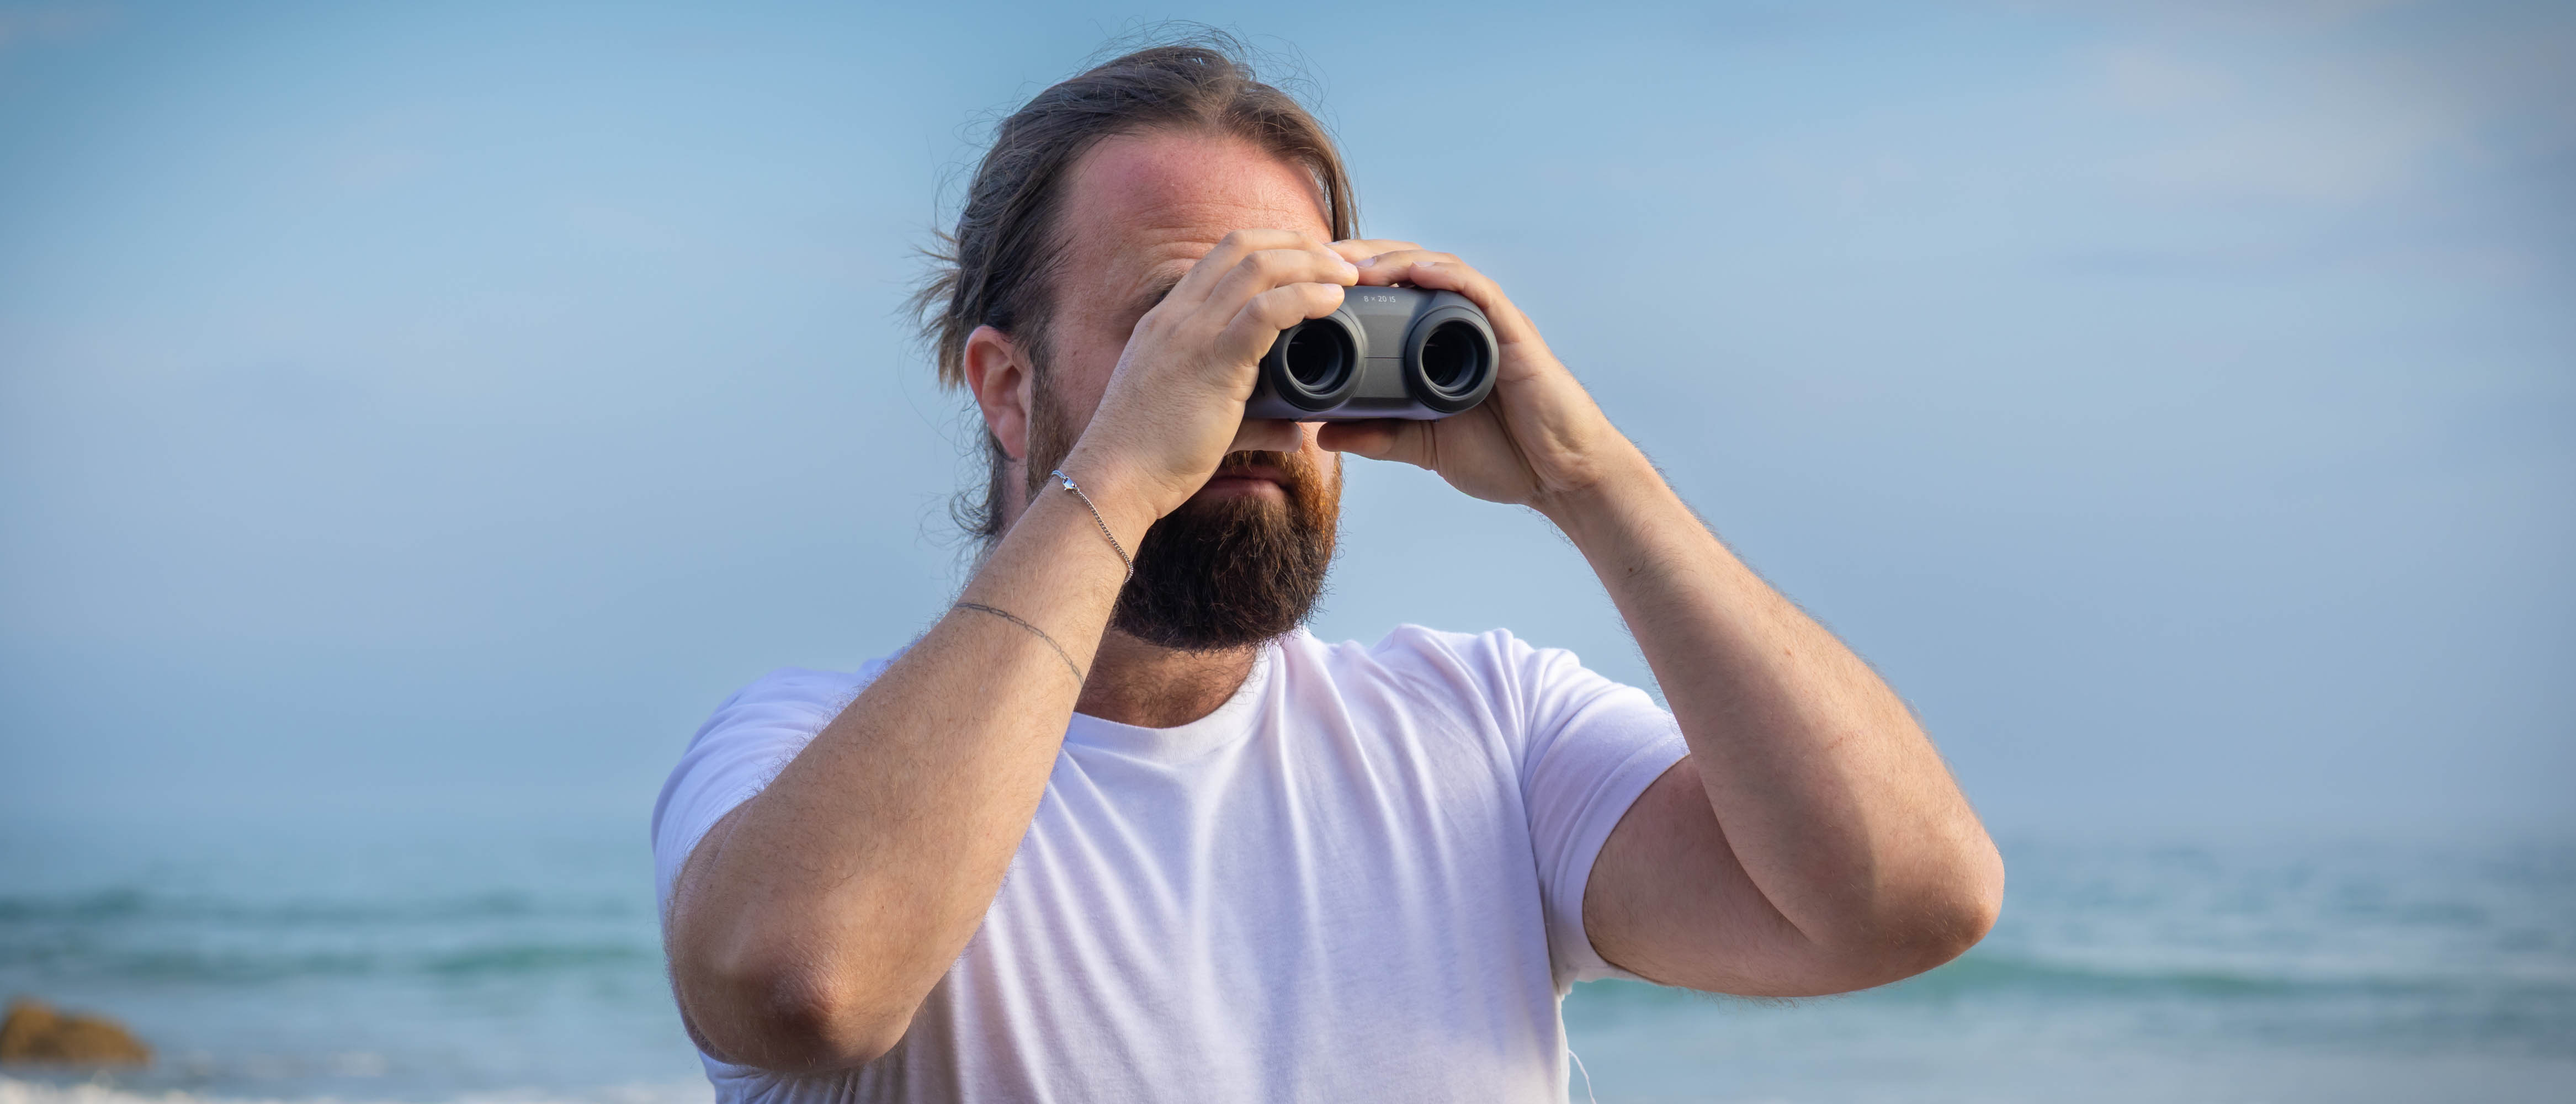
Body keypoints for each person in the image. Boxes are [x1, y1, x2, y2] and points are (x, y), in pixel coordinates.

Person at [651, 38, 2003, 1103]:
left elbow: (1906, 903)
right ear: (1006, 392)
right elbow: (802, 986)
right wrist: (1122, 475)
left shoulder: (1487, 734)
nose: (1251, 388)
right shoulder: (799, 755)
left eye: (1294, 328)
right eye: (1185, 324)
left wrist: (1591, 480)